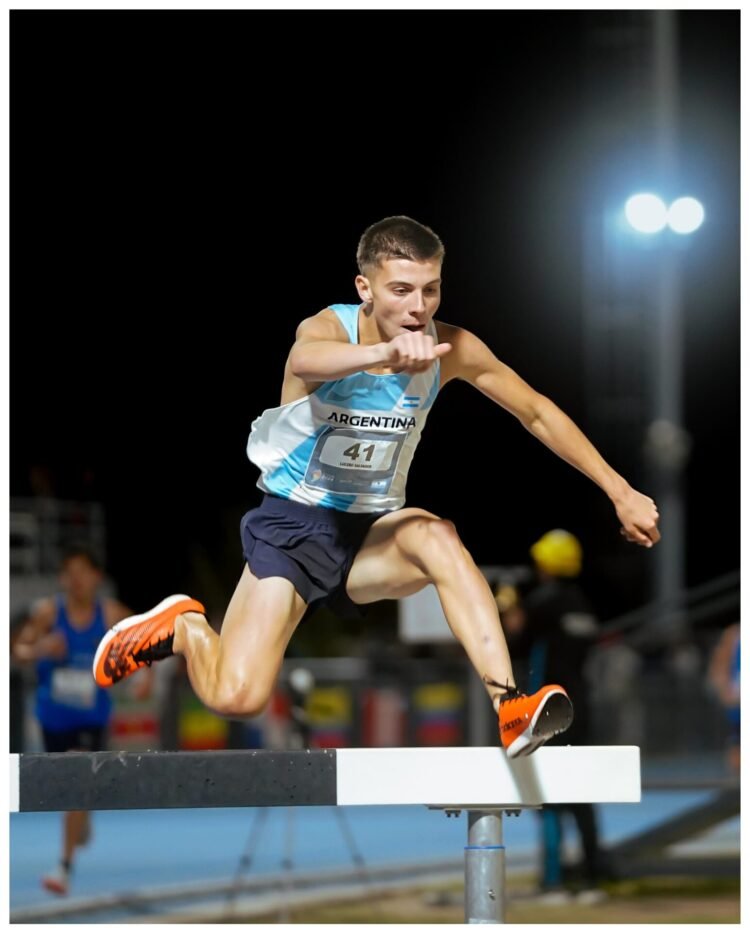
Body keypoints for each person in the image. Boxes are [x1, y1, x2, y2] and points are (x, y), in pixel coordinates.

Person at [92, 215, 660, 758]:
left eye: (431, 290)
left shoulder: (451, 348)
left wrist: (619, 489)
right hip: (292, 528)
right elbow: (305, 358)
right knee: (235, 698)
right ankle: (186, 626)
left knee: (437, 536)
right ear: (365, 287)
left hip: (369, 534)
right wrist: (383, 355)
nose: (418, 308)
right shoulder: (326, 328)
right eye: (402, 290)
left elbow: (535, 412)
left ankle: (509, 704)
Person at [11, 544, 146, 896]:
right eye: (69, 573)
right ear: (62, 579)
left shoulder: (110, 613)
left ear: (96, 577)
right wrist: (41, 648)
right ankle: (82, 818)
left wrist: (144, 675)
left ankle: (64, 868)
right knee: (71, 795)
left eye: (83, 573)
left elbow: (147, 637)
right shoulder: (47, 614)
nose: (77, 580)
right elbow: (18, 651)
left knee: (75, 781)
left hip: (91, 719)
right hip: (52, 719)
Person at [503, 530, 609, 903]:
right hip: (582, 708)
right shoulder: (582, 604)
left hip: (547, 712)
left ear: (545, 564)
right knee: (583, 796)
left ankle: (553, 880)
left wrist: (510, 608)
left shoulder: (542, 603)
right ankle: (594, 876)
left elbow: (516, 642)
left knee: (547, 797)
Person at [708, 622, 740, 773]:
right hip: (737, 701)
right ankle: (737, 786)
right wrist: (724, 691)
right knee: (737, 744)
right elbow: (720, 665)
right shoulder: (734, 634)